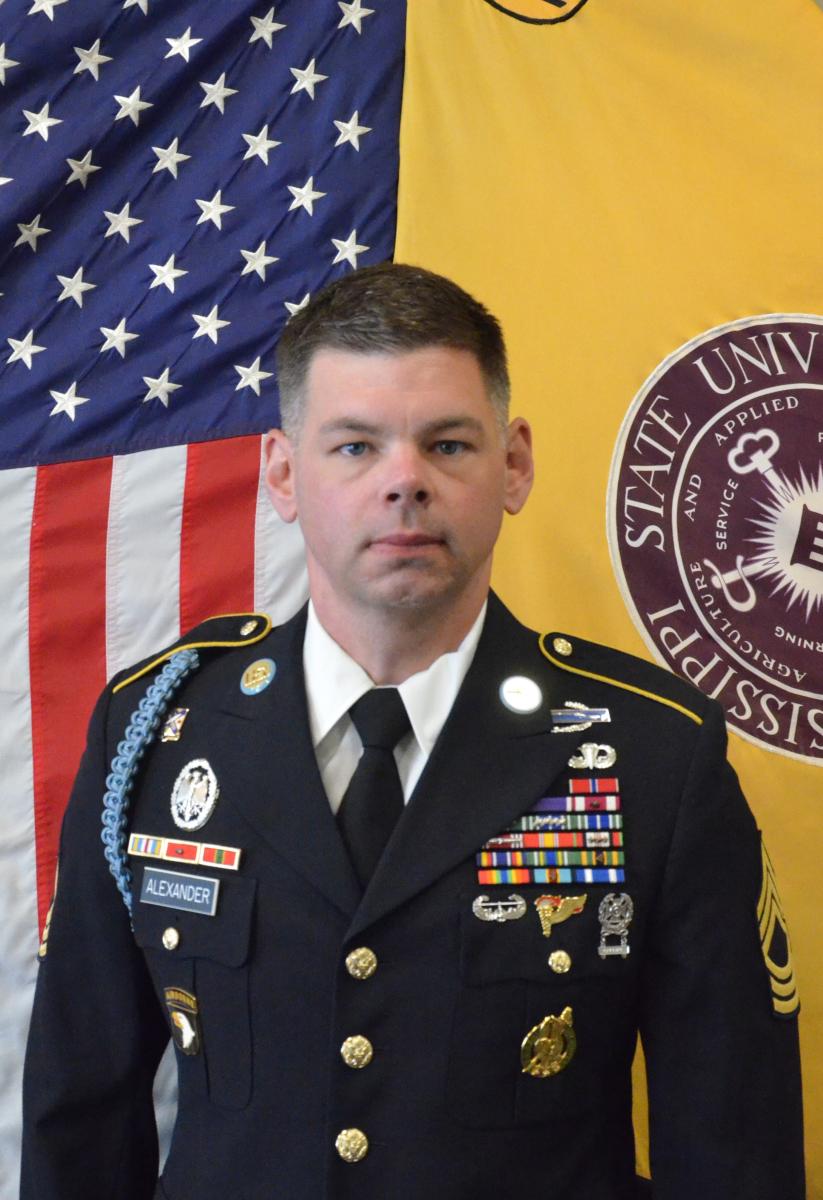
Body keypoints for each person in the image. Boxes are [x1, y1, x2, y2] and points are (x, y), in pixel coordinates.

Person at [21, 263, 804, 1199]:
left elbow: (731, 1143)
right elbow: (81, 1113)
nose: (405, 482)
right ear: (283, 473)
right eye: (355, 446)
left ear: (513, 465)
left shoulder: (654, 754)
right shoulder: (155, 736)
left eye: (447, 444)